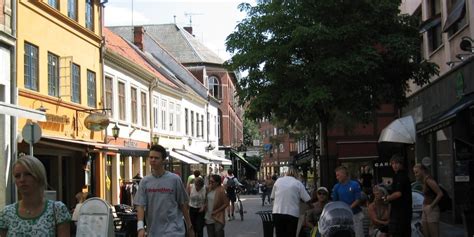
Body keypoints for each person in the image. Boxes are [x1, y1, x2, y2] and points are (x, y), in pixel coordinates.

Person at [0, 155, 71, 236]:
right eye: (17, 176)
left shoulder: (57, 210)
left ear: (39, 176)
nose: (22, 179)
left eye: (28, 174)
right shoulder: (7, 213)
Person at [134, 144, 194, 237]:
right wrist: (140, 227)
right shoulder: (145, 182)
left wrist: (189, 226)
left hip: (174, 231)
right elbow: (140, 206)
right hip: (154, 232)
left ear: (163, 160)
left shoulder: (174, 179)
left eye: (156, 158)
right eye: (151, 157)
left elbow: (183, 204)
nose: (153, 160)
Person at [271, 167, 312, 237]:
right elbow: (307, 199)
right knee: (290, 234)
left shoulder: (278, 181)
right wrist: (311, 206)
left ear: (286, 173)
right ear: (297, 174)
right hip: (292, 214)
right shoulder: (298, 183)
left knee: (280, 234)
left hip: (277, 212)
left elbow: (272, 197)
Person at [383, 154, 412, 237]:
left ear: (401, 164)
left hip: (401, 211)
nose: (394, 165)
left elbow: (398, 193)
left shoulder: (401, 176)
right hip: (400, 210)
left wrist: (387, 198)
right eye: (392, 163)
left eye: (396, 163)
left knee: (399, 232)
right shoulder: (397, 176)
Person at [331, 166, 364, 237]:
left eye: (338, 175)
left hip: (356, 215)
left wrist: (348, 208)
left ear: (344, 174)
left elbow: (358, 199)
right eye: (336, 175)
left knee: (359, 235)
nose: (337, 177)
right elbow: (335, 202)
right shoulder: (336, 187)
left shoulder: (355, 184)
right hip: (343, 217)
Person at [413, 163, 443, 237]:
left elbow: (440, 193)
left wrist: (431, 206)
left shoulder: (428, 179)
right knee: (426, 234)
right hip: (426, 208)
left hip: (431, 209)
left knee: (434, 234)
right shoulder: (424, 180)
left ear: (422, 171)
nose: (415, 174)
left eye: (417, 172)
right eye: (414, 173)